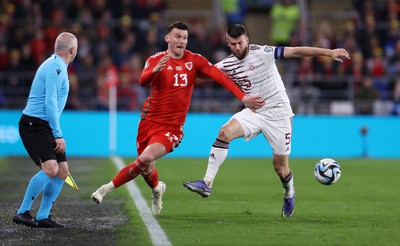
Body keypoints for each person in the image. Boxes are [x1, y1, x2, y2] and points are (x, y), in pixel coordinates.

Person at [90, 21, 264, 215]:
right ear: (168, 38)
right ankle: (157, 190)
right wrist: (154, 71)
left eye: (185, 38)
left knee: (145, 157)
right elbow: (142, 81)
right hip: (148, 121)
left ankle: (106, 189)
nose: (182, 41)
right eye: (178, 37)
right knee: (147, 170)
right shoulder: (156, 59)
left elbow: (219, 76)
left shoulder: (194, 60)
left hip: (171, 128)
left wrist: (243, 97)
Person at [183, 24, 350, 217]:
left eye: (240, 42)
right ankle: (207, 183)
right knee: (224, 132)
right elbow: (205, 77)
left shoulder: (263, 52)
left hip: (279, 115)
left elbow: (295, 51)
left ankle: (289, 193)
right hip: (254, 112)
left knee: (280, 167)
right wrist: (175, 77)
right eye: (233, 44)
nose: (237, 47)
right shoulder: (227, 64)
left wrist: (328, 52)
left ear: (247, 40)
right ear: (228, 43)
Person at [13, 32, 78, 228]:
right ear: (73, 50)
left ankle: (43, 216)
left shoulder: (56, 65)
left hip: (43, 124)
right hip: (35, 124)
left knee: (62, 170)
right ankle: (23, 211)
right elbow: (50, 102)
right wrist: (58, 134)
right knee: (51, 168)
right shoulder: (55, 67)